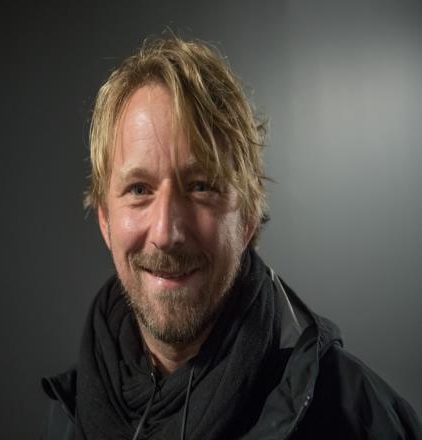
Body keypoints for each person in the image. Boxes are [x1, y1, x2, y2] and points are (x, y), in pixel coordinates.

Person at [41, 35, 421, 440]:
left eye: (201, 186)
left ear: (249, 216)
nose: (166, 233)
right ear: (105, 218)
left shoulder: (356, 418)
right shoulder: (73, 411)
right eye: (138, 190)